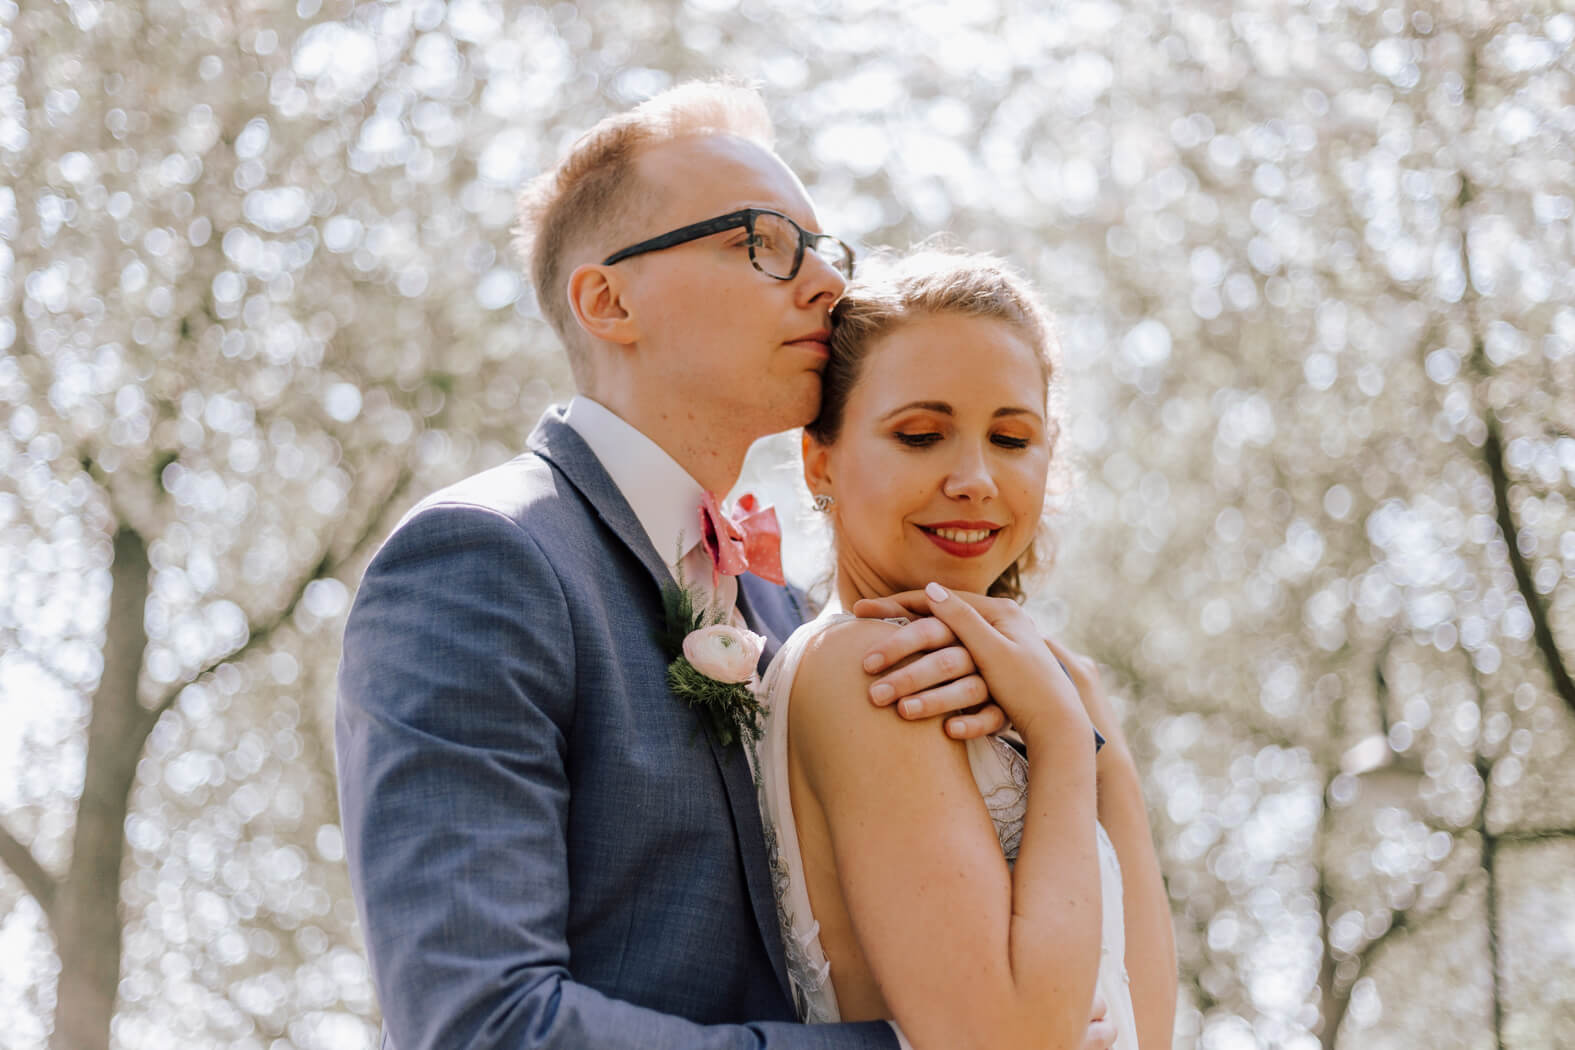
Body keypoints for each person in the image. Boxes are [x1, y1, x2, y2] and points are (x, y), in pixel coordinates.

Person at [335, 82, 1076, 1050]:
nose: (825, 286)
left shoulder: (799, 617)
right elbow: (486, 1025)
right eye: (762, 242)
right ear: (609, 301)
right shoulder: (483, 560)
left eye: (824, 253)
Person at [753, 250, 1178, 1049]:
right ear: (820, 460)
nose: (974, 478)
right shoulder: (869, 669)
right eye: (921, 435)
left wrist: (1090, 731)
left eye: (1011, 439)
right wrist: (1060, 743)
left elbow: (1145, 1028)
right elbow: (1008, 1039)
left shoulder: (1051, 687)